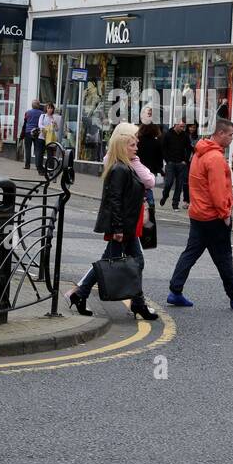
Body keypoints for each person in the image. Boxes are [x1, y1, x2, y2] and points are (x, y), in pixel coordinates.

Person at [65, 123, 156, 321]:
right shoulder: (120, 169)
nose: (136, 147)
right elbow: (114, 201)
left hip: (127, 225)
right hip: (122, 227)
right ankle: (137, 304)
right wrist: (118, 229)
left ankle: (80, 294)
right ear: (122, 147)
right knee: (117, 263)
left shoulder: (127, 166)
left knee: (120, 261)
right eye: (132, 145)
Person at [167, 119, 233, 310]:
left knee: (191, 253)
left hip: (198, 213)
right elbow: (218, 190)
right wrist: (225, 213)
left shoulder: (199, 153)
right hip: (213, 216)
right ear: (220, 133)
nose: (232, 138)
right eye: (230, 134)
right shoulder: (215, 158)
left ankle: (175, 291)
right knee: (224, 256)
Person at [160, 118, 193, 210]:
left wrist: (185, 160)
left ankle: (175, 203)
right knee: (169, 182)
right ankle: (165, 195)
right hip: (170, 163)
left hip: (181, 163)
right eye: (181, 126)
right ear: (175, 125)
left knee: (179, 185)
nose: (183, 128)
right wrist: (167, 160)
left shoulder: (185, 136)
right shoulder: (168, 135)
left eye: (184, 127)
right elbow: (163, 148)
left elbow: (189, 148)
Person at [21, 99, 44, 169]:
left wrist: (22, 133)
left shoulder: (27, 113)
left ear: (32, 105)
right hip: (37, 132)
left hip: (28, 132)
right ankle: (37, 165)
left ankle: (27, 165)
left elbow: (25, 123)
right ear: (38, 105)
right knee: (37, 149)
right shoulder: (42, 113)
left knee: (28, 149)